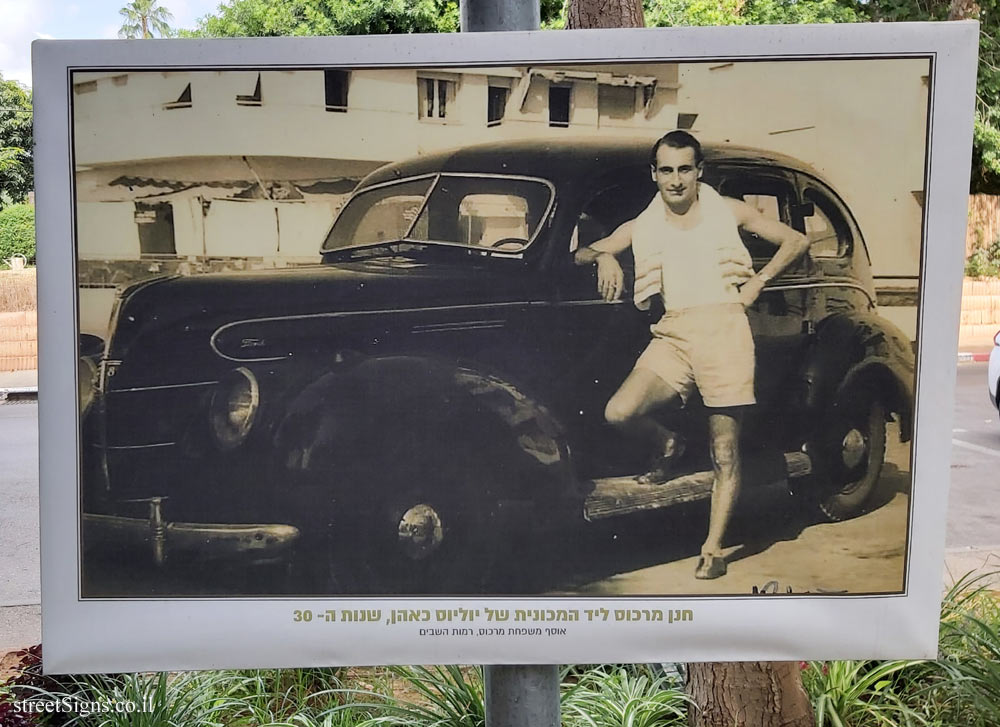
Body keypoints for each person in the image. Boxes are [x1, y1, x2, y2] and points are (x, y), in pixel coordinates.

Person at [573, 130, 810, 579]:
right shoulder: (642, 224)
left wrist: (757, 282)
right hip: (674, 332)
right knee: (619, 412)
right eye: (667, 170)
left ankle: (714, 547)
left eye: (685, 169)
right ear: (654, 174)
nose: (676, 180)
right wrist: (604, 256)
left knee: (724, 449)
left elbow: (796, 241)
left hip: (724, 331)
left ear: (699, 171)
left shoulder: (729, 210)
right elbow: (580, 252)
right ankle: (666, 442)